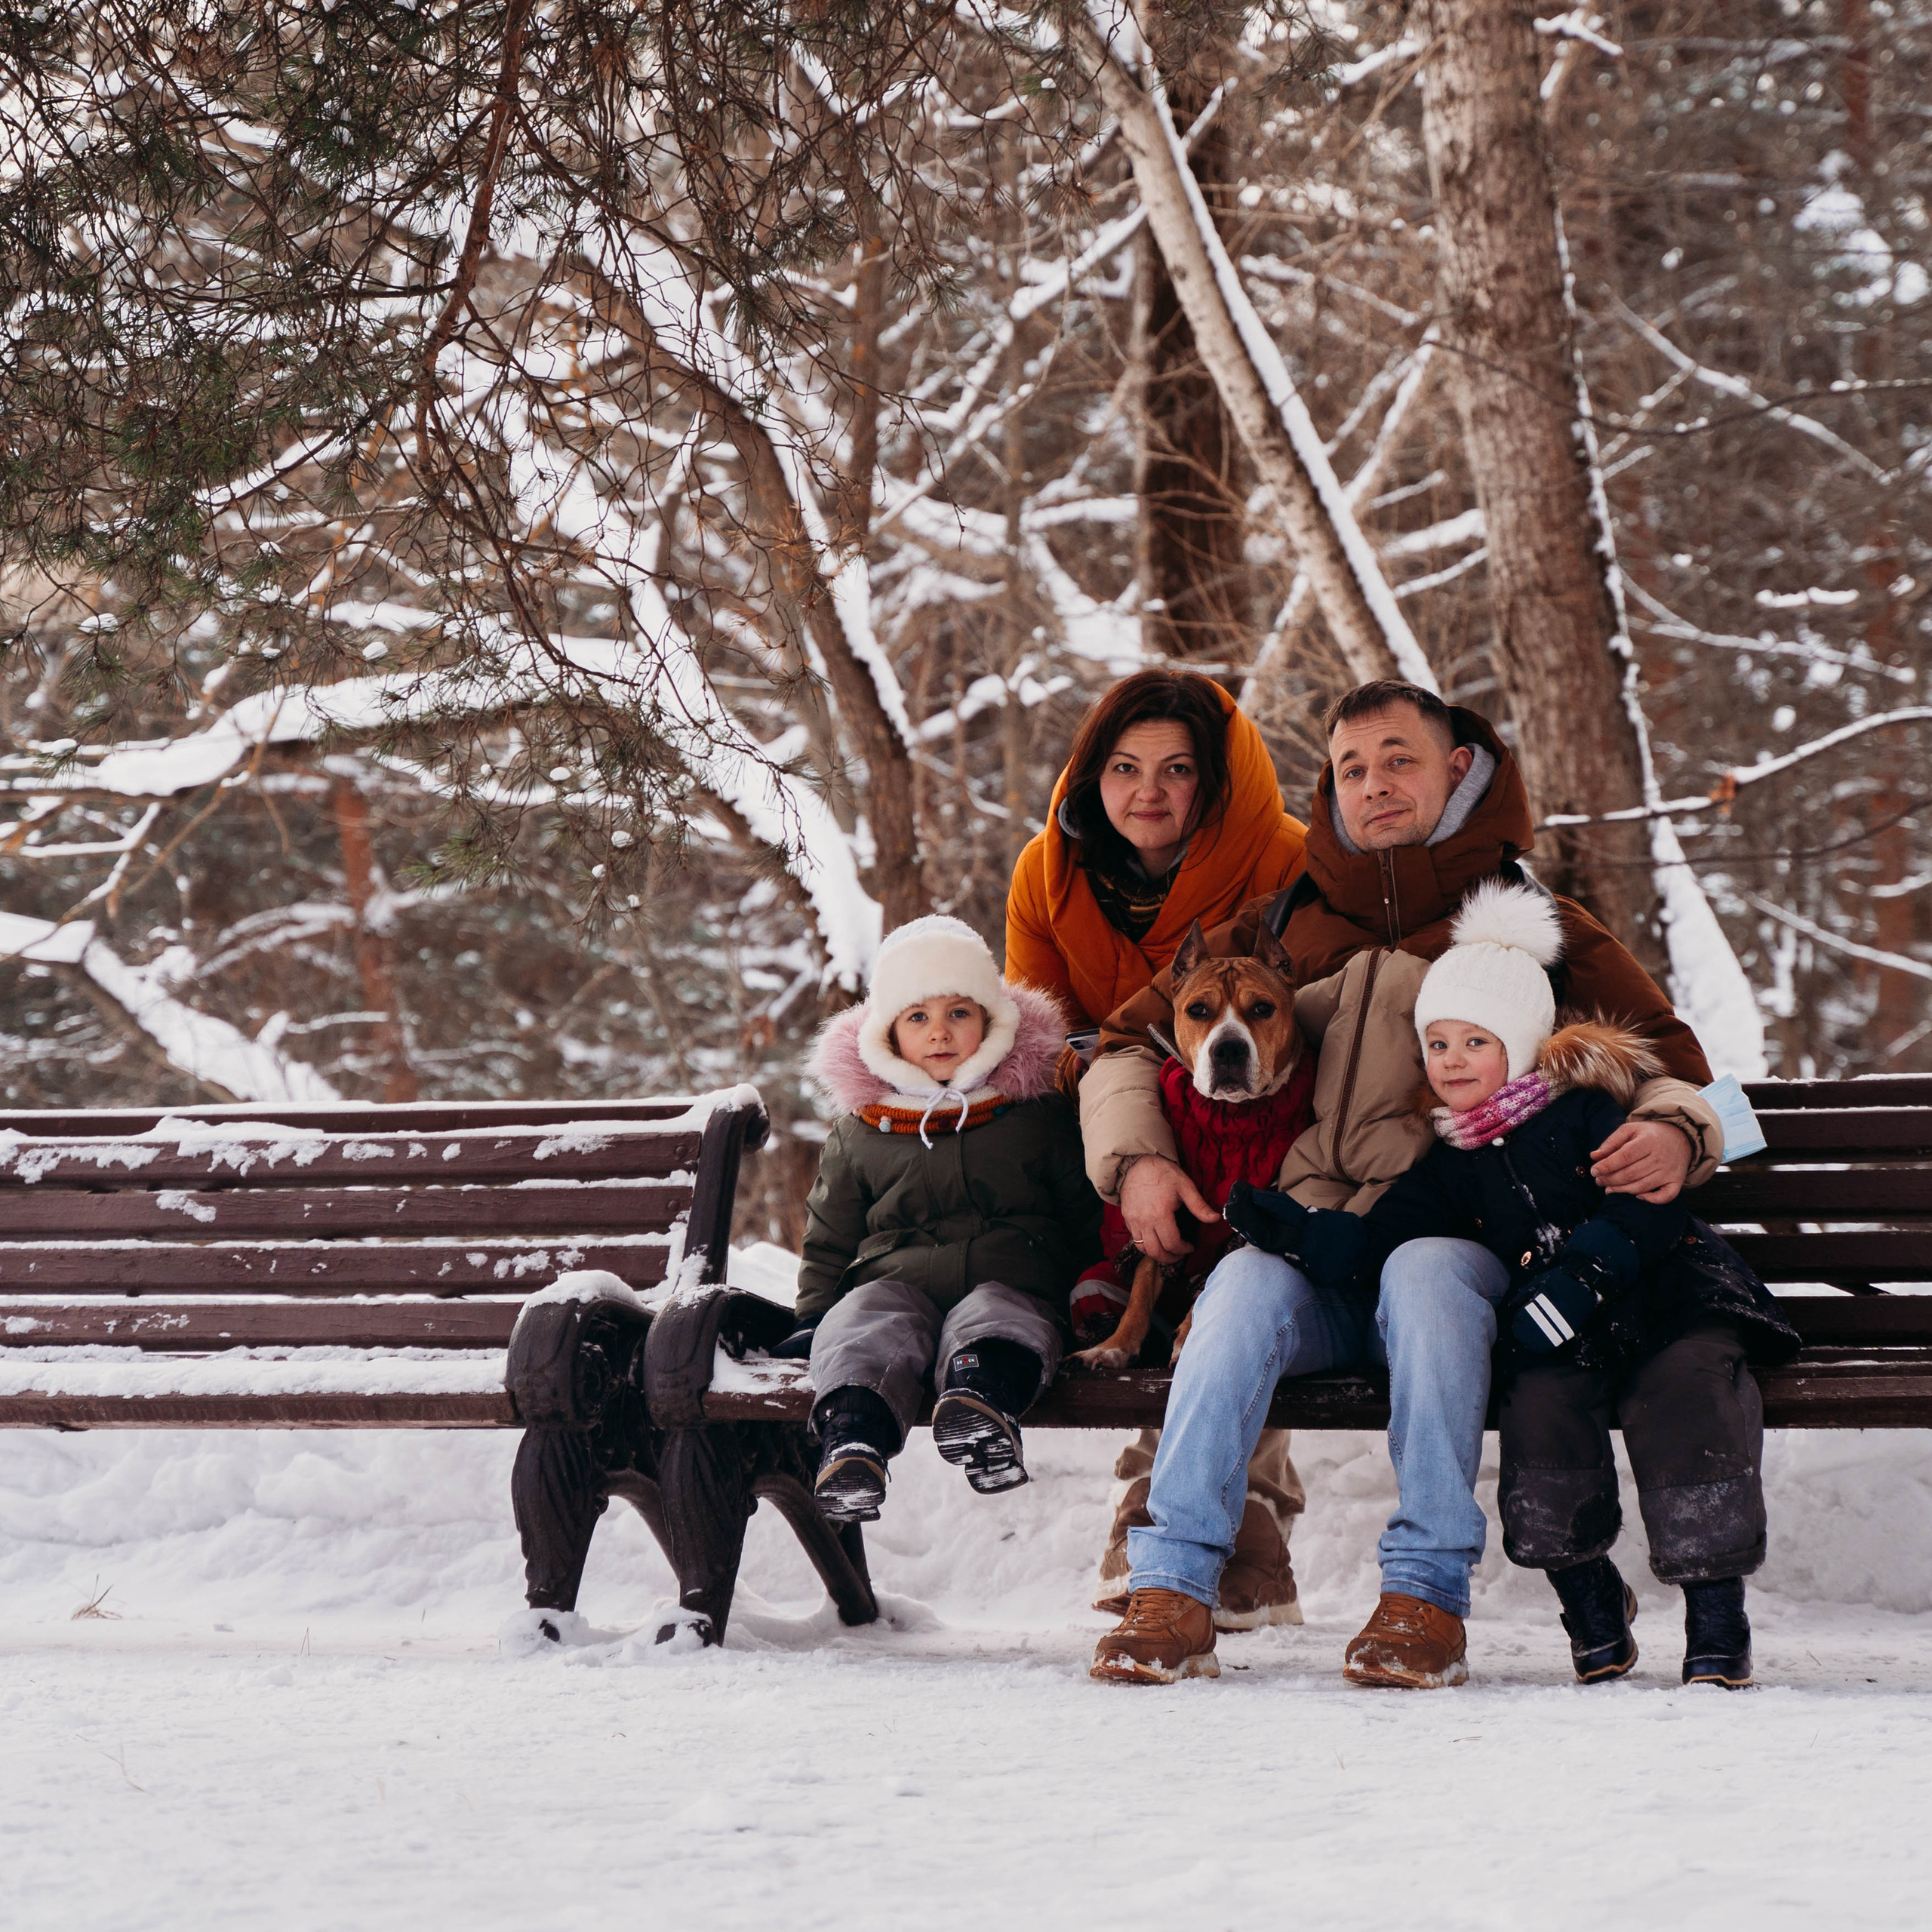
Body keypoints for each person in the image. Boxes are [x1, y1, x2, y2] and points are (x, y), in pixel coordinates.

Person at [1084, 678, 1727, 1687]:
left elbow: (1679, 1068)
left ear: (1457, 771)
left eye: (1399, 760)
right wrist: (1139, 1160)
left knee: (1427, 1271)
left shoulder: (1537, 929)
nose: (1374, 785)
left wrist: (1677, 1132)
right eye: (1352, 768)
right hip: (1312, 1242)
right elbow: (1126, 1044)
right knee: (1238, 1286)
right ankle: (1171, 1584)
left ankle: (1425, 1593)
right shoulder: (1282, 924)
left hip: (1456, 1247)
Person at [1222, 881, 1797, 1688]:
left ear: (1522, 1043)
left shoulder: (1588, 1107)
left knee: (1688, 1401)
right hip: (1563, 1331)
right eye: (1437, 1043)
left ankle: (1716, 1616)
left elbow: (1649, 1207)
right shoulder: (1449, 1160)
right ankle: (1592, 1603)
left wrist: (1586, 1273)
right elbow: (1379, 1242)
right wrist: (1301, 1232)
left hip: (1668, 1304)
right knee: (1537, 1413)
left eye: (1475, 1041)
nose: (1452, 1060)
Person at [1005, 668, 1309, 1627]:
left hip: (1261, 1120)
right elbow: (1042, 1035)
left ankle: (1183, 1506)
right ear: (1088, 775)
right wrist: (1135, 1148)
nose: (1148, 791)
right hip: (1109, 1119)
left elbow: (1305, 1022)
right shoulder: (1045, 873)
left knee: (1251, 1266)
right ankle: (1230, 1521)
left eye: (1178, 769)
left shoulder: (1284, 861)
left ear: (1213, 782)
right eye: (1124, 767)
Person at [772, 915, 1100, 1518]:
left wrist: (1098, 1284)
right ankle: (855, 1437)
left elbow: (1083, 1210)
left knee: (1000, 1317)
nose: (940, 1032)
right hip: (896, 1281)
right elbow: (830, 1237)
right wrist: (816, 1315)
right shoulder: (863, 1128)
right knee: (866, 1320)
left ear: (990, 1019)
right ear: (889, 1032)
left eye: (959, 1012)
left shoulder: (1034, 1113)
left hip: (1015, 1276)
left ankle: (981, 1408)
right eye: (918, 1017)